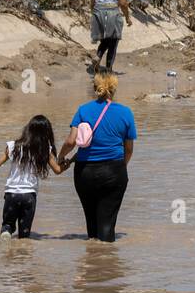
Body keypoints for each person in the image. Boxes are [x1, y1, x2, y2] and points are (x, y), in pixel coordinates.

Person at [57, 72, 138, 242]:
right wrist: (120, 168)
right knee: (107, 223)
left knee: (91, 222)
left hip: (85, 172)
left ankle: (93, 262)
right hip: (114, 171)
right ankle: (106, 262)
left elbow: (71, 141)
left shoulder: (83, 110)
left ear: (95, 89)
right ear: (114, 90)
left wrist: (60, 156)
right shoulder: (126, 112)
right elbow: (129, 150)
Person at [0, 115, 67, 239]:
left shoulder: (13, 146)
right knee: (24, 235)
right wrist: (67, 164)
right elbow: (57, 170)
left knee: (7, 225)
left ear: (28, 128)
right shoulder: (44, 150)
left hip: (12, 195)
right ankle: (21, 254)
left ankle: (6, 233)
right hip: (29, 196)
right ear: (46, 133)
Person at [90, 0, 133, 73]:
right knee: (113, 41)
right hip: (112, 13)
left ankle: (98, 56)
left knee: (105, 40)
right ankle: (109, 69)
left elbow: (92, 3)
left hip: (97, 14)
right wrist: (127, 17)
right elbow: (123, 3)